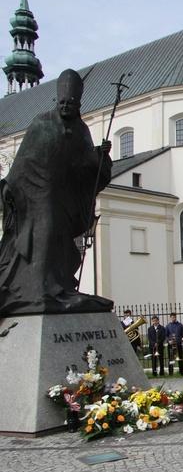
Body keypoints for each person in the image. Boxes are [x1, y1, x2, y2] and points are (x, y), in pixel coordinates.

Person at [0, 69, 113, 316]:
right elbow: (22, 162)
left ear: (78, 105)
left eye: (70, 103)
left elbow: (85, 165)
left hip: (64, 194)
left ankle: (59, 287)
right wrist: (11, 186)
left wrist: (100, 156)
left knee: (60, 239)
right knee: (45, 231)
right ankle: (41, 290)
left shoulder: (82, 130)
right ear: (56, 102)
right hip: (36, 193)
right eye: (62, 102)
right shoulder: (41, 123)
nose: (65, 106)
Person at [165, 312, 183, 377]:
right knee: (171, 358)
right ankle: (171, 373)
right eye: (172, 317)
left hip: (178, 343)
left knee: (180, 358)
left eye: (174, 317)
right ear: (170, 318)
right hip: (171, 344)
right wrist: (169, 341)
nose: (174, 318)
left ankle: (181, 372)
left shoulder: (180, 325)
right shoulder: (168, 326)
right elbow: (166, 335)